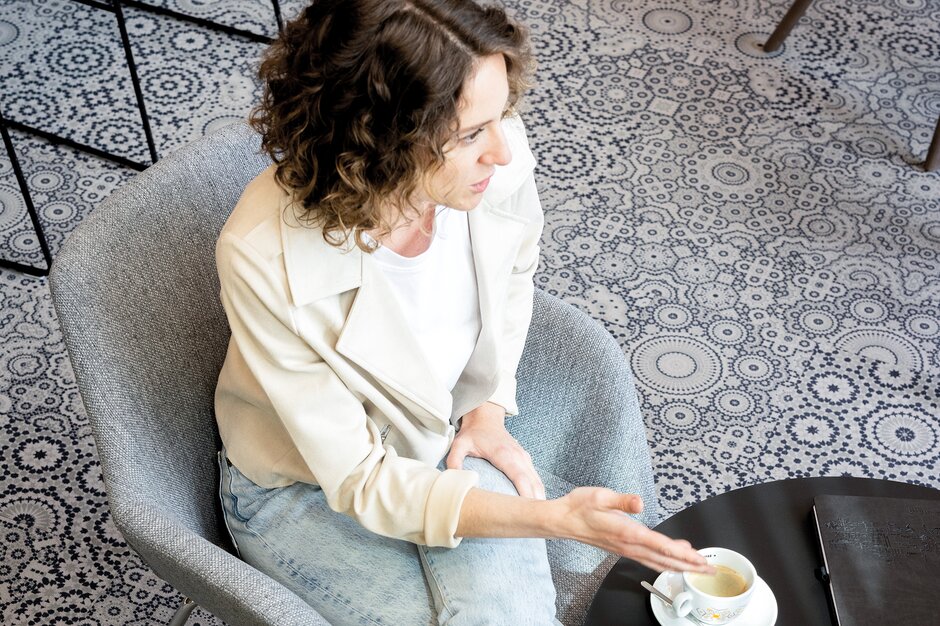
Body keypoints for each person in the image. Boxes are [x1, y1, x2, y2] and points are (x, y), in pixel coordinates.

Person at [214, 0, 712, 623]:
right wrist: (551, 522)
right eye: (470, 134)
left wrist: (487, 409)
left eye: (501, 113)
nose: (502, 152)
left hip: (441, 440)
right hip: (306, 487)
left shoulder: (491, 161)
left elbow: (512, 278)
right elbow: (360, 478)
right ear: (380, 138)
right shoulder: (262, 255)